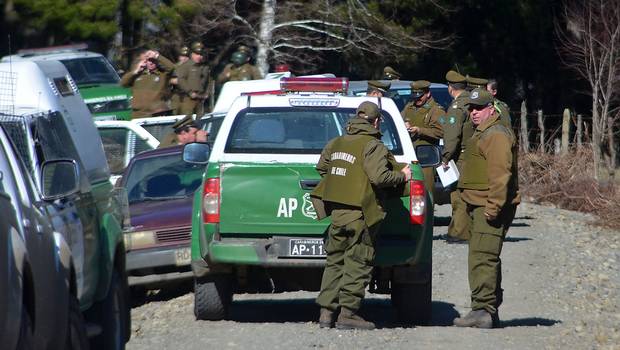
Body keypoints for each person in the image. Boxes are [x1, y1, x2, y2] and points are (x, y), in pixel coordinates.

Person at [310, 101, 412, 330]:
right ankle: (348, 314)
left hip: (337, 212)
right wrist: (403, 176)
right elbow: (379, 178)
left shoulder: (336, 142)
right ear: (376, 122)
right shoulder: (373, 145)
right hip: (360, 213)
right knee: (358, 261)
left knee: (335, 261)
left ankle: (326, 313)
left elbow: (323, 167)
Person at [453, 88, 520, 329]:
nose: (474, 113)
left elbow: (501, 175)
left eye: (479, 108)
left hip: (488, 206)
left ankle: (482, 310)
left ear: (491, 109)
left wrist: (493, 208)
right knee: (484, 256)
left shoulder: (496, 135)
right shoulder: (483, 132)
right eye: (471, 108)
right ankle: (487, 309)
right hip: (479, 204)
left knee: (483, 258)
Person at [401, 80, 445, 198]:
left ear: (428, 94)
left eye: (420, 96)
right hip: (409, 156)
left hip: (426, 159)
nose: (417, 99)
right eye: (414, 96)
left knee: (426, 193)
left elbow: (441, 132)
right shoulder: (409, 107)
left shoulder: (436, 110)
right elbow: (398, 121)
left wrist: (420, 130)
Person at [442, 70, 471, 244]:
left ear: (450, 88)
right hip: (473, 154)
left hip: (460, 157)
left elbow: (452, 137)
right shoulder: (473, 103)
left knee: (458, 195)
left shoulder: (456, 107)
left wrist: (445, 157)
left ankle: (459, 232)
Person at [120, 49, 175, 118]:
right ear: (145, 62)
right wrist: (135, 72)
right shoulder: (138, 74)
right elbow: (123, 84)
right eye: (149, 60)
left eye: (154, 61)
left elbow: (172, 67)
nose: (151, 63)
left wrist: (156, 56)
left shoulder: (162, 74)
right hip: (137, 114)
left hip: (155, 114)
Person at [174, 42, 211, 116]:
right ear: (192, 54)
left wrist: (207, 92)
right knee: (187, 120)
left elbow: (208, 81)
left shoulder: (205, 67)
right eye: (197, 54)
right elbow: (181, 80)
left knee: (200, 120)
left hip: (201, 98)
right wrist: (189, 92)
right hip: (188, 98)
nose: (199, 56)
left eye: (201, 54)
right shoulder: (186, 65)